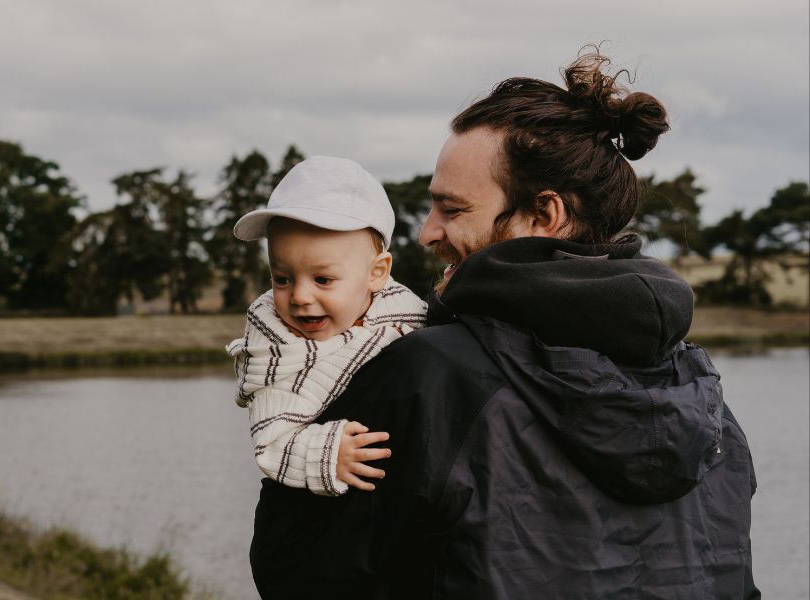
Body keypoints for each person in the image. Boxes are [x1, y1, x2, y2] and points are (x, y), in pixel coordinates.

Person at [249, 50, 759, 599]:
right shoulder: (703, 394)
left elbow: (295, 571)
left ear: (544, 215)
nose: (426, 233)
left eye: (453, 209)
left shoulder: (430, 374)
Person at [227, 155, 427, 497]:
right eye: (282, 278)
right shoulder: (273, 346)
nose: (300, 296)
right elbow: (270, 442)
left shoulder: (412, 320)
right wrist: (329, 453)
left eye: (323, 279)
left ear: (376, 273)